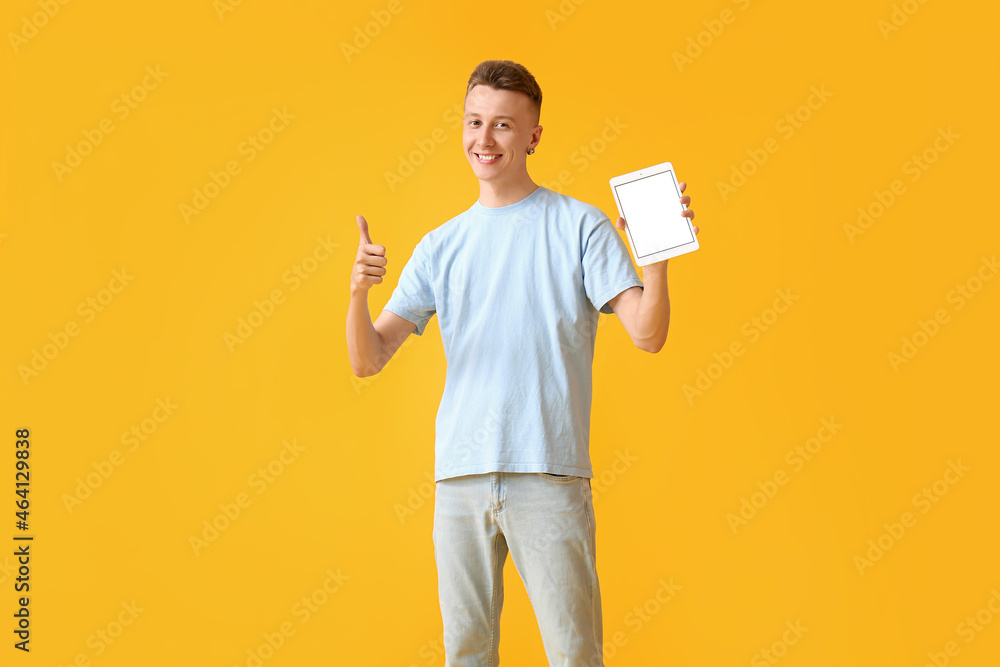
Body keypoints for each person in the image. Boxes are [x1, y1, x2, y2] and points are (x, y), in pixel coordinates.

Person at [347, 59, 698, 667]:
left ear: (533, 135)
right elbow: (368, 357)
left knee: (574, 653)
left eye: (504, 125)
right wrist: (358, 293)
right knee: (467, 655)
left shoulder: (579, 226)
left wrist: (656, 256)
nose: (484, 140)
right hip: (460, 477)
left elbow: (647, 333)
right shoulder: (441, 245)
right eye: (474, 122)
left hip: (549, 471)